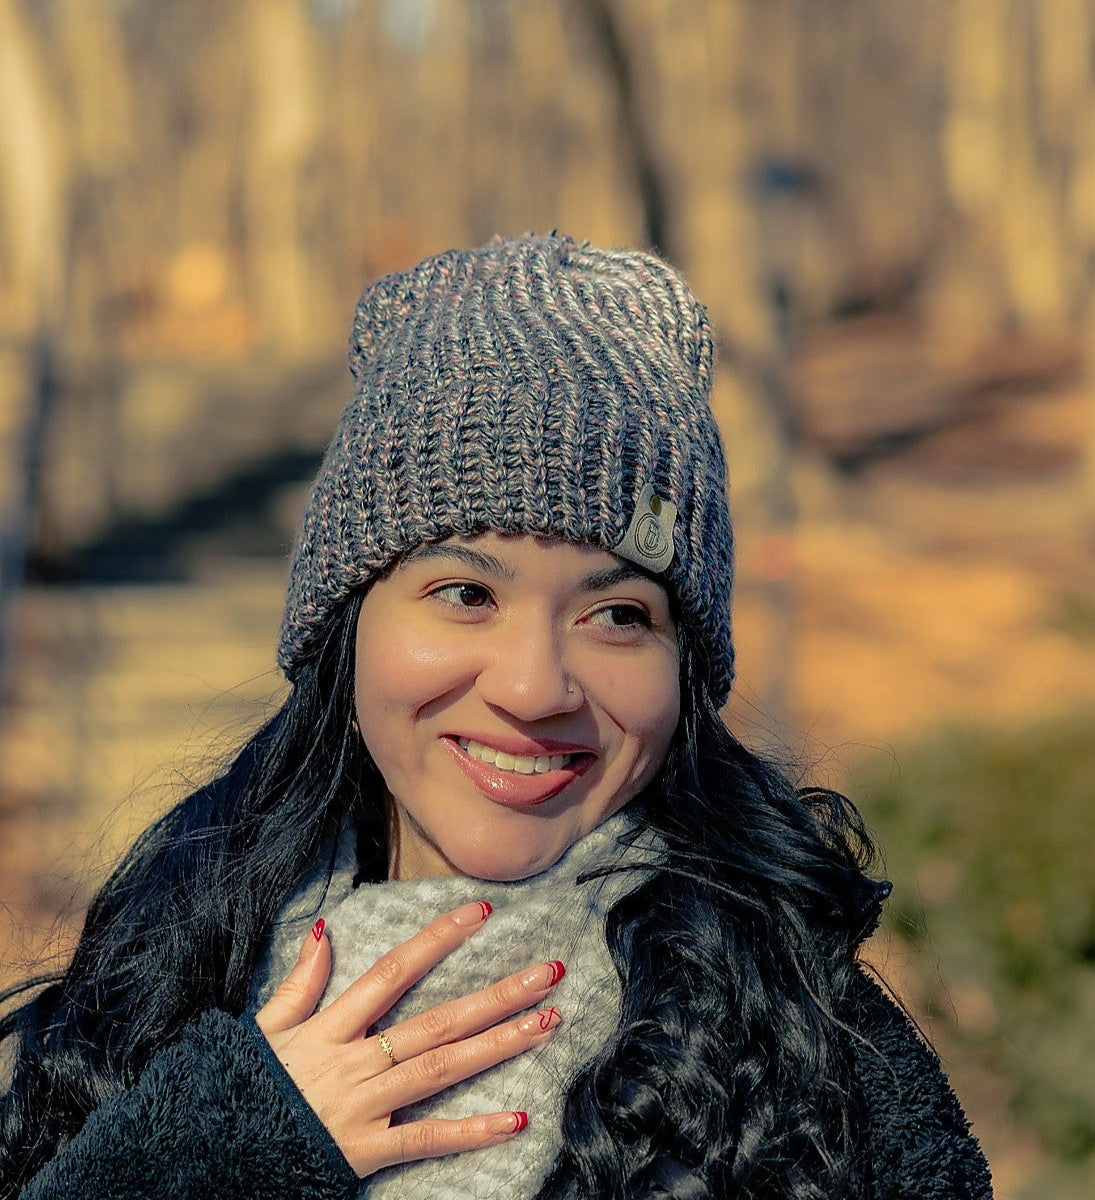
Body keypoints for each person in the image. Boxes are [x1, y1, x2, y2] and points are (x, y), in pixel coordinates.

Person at [0, 234, 992, 1199]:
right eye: (466, 594)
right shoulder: (159, 973)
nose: (532, 688)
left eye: (617, 615)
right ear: (347, 628)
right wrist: (224, 1143)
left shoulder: (810, 1043)